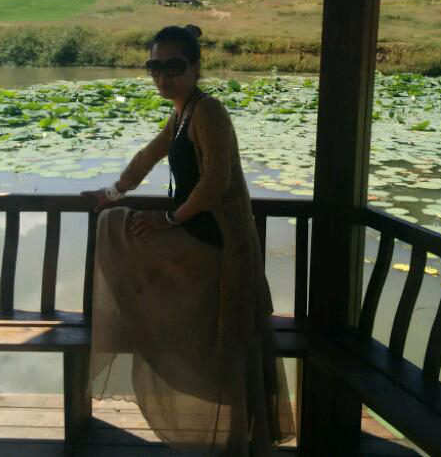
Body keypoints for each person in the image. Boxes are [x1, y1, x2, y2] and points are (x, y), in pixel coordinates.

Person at [81, 25, 294, 457]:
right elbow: (147, 157)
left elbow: (216, 181)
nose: (163, 75)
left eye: (174, 66)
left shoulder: (208, 111)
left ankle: (138, 319)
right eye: (154, 66)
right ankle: (145, 316)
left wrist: (169, 218)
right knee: (114, 221)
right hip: (194, 233)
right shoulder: (181, 114)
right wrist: (113, 193)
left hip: (218, 243)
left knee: (116, 228)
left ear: (196, 69)